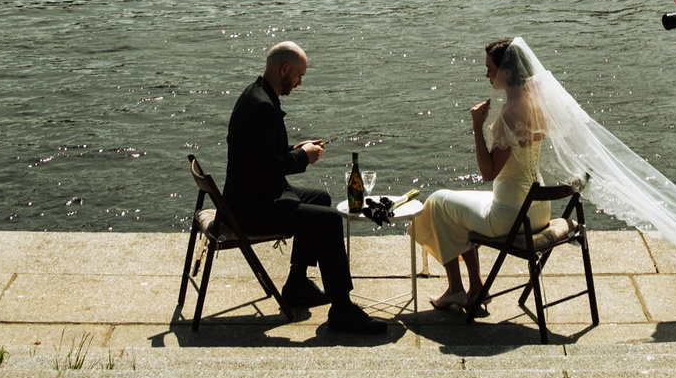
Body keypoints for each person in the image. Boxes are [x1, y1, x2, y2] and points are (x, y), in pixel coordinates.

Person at [223, 41, 385, 336]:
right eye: (299, 76)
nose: (299, 83)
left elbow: (261, 154)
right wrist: (303, 157)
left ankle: (297, 283)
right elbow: (266, 166)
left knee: (320, 198)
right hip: (251, 209)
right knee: (329, 220)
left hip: (251, 196)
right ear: (284, 69)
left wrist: (295, 149)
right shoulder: (262, 107)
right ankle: (342, 308)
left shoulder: (255, 94)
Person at [410, 39, 554, 312]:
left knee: (439, 202)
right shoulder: (536, 104)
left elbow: (488, 173)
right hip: (540, 209)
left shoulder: (510, 114)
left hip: (511, 215)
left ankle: (457, 288)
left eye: (490, 69)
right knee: (452, 207)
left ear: (507, 72)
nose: (486, 75)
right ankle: (475, 287)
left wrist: (477, 126)